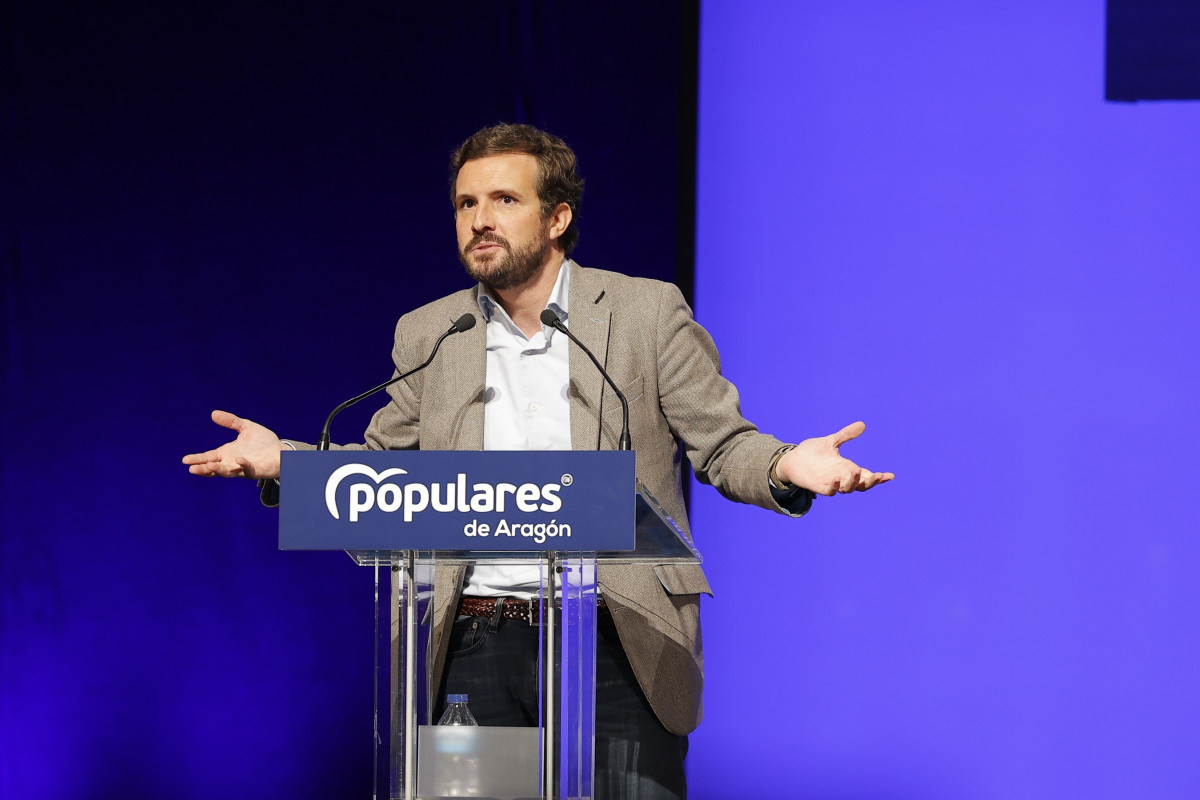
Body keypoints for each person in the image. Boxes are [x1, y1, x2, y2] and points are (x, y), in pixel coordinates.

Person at [183, 123, 893, 800]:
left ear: (556, 218)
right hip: (475, 640)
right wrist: (288, 463)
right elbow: (382, 474)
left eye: (503, 200)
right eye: (466, 203)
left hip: (616, 635)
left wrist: (785, 465)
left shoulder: (645, 313)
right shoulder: (433, 331)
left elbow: (722, 443)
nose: (479, 219)